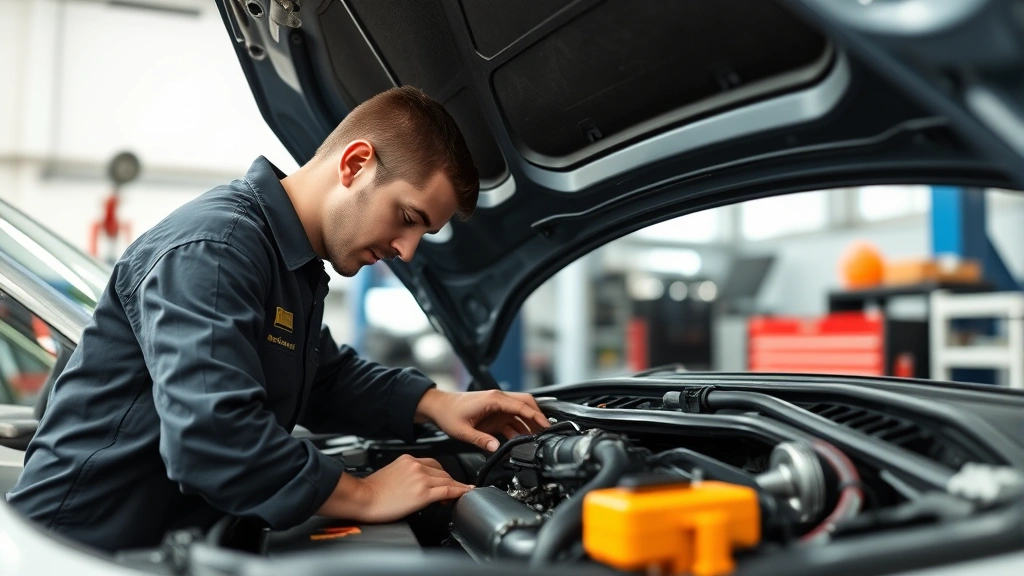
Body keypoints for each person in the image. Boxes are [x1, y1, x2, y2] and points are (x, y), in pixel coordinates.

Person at [6, 86, 549, 552]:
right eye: (407, 217)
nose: (407, 250)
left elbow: (323, 376)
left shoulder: (285, 262)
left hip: (156, 544)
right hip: (73, 550)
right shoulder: (216, 248)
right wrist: (365, 494)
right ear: (355, 164)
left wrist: (436, 404)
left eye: (422, 233)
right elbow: (212, 438)